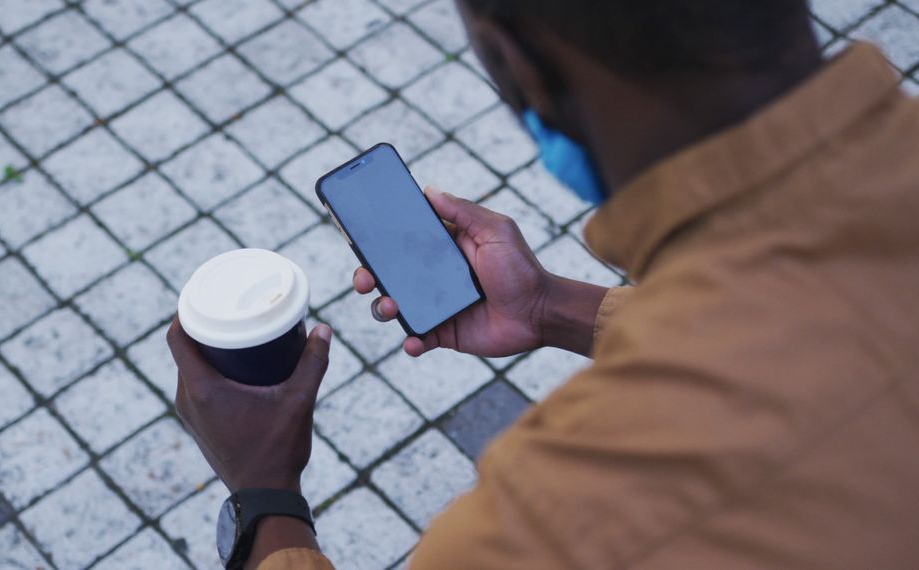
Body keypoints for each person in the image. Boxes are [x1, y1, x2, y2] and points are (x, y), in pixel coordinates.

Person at [167, 0, 919, 567]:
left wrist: (266, 496)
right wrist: (555, 307)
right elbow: (803, 332)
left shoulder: (558, 521)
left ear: (517, 58)